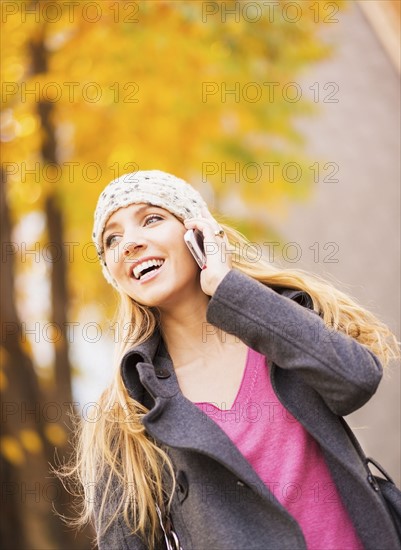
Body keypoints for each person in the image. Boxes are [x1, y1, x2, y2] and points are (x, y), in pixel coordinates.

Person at [62, 170, 400, 549]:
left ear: (197, 231)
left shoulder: (281, 324)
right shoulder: (127, 412)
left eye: (151, 219)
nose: (129, 244)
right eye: (113, 240)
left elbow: (356, 380)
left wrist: (227, 287)